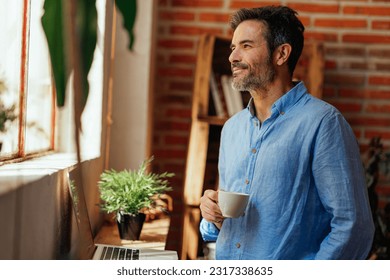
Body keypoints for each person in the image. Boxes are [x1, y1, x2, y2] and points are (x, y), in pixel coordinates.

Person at [199, 5, 374, 260]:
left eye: (246, 46)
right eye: (233, 47)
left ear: (281, 54)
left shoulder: (323, 124)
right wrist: (211, 214)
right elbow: (230, 222)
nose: (232, 57)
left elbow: (353, 227)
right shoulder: (232, 129)